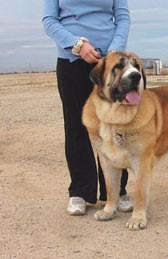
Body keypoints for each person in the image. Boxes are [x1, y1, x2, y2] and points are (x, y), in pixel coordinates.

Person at [42, 0, 133, 215]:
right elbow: (49, 20)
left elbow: (122, 17)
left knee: (114, 126)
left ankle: (117, 190)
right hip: (71, 61)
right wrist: (77, 45)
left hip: (109, 62)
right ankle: (80, 192)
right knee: (76, 126)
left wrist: (115, 51)